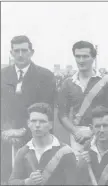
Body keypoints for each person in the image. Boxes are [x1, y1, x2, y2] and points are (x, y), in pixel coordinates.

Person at [1, 35, 56, 184]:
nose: (20, 55)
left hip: (35, 135)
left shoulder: (45, 75)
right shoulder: (2, 75)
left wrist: (24, 129)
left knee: (35, 178)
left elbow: (46, 109)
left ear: (32, 52)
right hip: (6, 137)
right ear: (11, 53)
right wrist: (5, 129)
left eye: (24, 50)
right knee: (7, 177)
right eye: (16, 51)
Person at [57, 41, 108, 156]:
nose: (81, 60)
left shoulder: (107, 81)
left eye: (85, 56)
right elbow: (62, 114)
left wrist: (92, 131)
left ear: (93, 58)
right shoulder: (68, 83)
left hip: (102, 131)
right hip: (78, 135)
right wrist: (75, 132)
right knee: (80, 168)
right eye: (78, 56)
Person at [9, 103, 77, 185]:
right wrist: (27, 182)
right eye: (33, 121)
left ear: (51, 125)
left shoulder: (66, 152)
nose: (37, 125)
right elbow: (12, 182)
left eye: (42, 121)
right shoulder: (23, 152)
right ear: (28, 123)